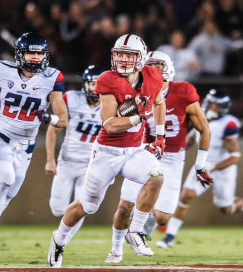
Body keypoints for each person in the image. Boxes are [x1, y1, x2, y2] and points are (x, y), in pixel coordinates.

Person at [48, 34, 166, 268]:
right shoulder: (107, 80)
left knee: (156, 177)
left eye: (129, 55)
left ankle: (136, 232)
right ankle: (58, 240)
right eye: (119, 54)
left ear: (141, 57)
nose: (123, 59)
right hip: (107, 152)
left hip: (133, 150)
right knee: (87, 206)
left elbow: (159, 102)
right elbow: (110, 124)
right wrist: (140, 116)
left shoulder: (153, 76)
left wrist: (160, 135)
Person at [105, 50, 212, 263]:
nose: (155, 69)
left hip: (172, 157)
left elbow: (204, 129)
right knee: (125, 206)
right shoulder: (135, 91)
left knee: (163, 217)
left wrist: (200, 165)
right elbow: (116, 123)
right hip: (142, 152)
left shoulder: (184, 91)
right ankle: (116, 250)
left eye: (159, 65)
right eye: (150, 64)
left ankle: (141, 227)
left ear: (169, 67)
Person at [0, 32, 68, 256]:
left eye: (39, 53)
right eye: (30, 52)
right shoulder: (2, 70)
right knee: (4, 180)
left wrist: (48, 118)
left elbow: (63, 118)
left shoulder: (52, 77)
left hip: (26, 147)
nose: (34, 57)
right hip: (0, 137)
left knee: (7, 193)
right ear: (19, 54)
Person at [157, 89, 243, 249]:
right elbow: (190, 140)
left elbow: (235, 156)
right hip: (204, 165)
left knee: (226, 209)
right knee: (186, 196)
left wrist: (214, 167)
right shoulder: (200, 118)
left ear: (222, 108)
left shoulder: (229, 124)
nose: (210, 108)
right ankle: (169, 237)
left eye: (214, 106)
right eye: (209, 104)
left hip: (224, 168)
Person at [45, 65, 104, 244]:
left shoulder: (112, 104)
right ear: (85, 84)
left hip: (91, 166)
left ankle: (60, 242)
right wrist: (50, 160)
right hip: (68, 162)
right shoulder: (71, 99)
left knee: (83, 207)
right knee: (57, 209)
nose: (96, 88)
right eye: (93, 84)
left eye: (100, 84)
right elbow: (52, 130)